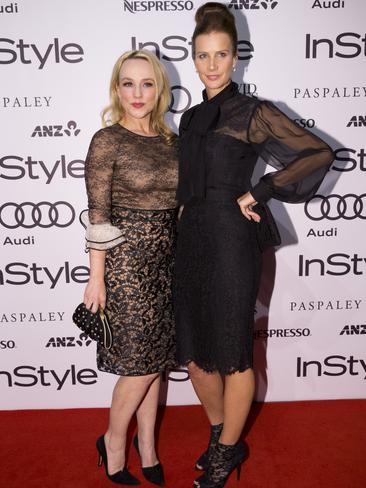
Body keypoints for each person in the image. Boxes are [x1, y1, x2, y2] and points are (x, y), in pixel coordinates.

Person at [173, 3, 335, 487]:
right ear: (194, 57)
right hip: (193, 240)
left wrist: (259, 191)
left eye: (221, 54)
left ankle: (224, 452)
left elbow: (317, 153)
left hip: (232, 240)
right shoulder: (191, 117)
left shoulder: (253, 112)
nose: (212, 65)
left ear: (236, 57)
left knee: (234, 351)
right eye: (203, 55)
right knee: (196, 358)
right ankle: (226, 434)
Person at [82, 49, 179, 486]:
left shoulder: (170, 140)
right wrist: (96, 277)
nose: (137, 93)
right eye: (128, 83)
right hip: (125, 265)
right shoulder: (108, 140)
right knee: (137, 365)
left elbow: (181, 206)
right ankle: (114, 443)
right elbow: (98, 214)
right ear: (116, 88)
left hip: (167, 263)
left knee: (155, 362)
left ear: (159, 88)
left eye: (146, 83)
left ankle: (148, 447)